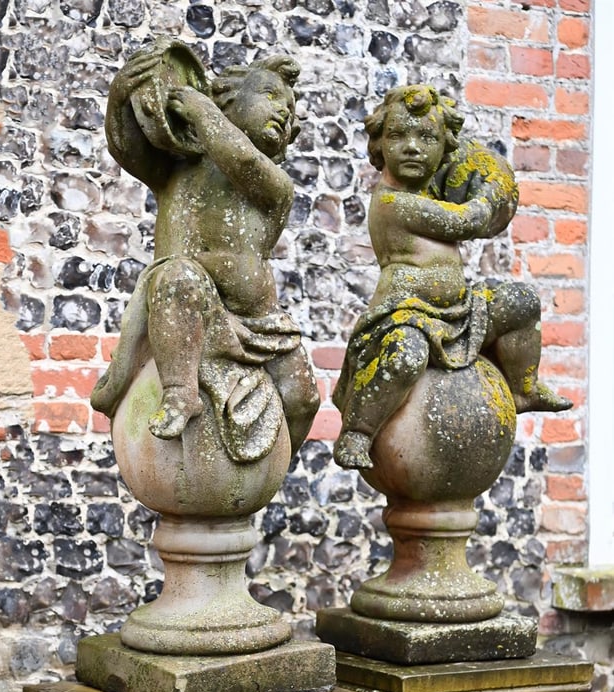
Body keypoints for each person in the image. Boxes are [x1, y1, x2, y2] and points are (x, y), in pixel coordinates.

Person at [91, 39, 319, 461]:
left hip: (261, 322)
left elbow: (244, 162)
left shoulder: (274, 187)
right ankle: (181, 393)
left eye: (290, 110)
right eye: (270, 95)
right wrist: (122, 95)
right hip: (187, 299)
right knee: (177, 276)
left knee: (304, 396)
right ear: (228, 99)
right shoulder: (174, 171)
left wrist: (199, 109)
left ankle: (279, 463)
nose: (284, 111)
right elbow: (126, 148)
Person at [333, 84, 571, 470]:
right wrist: (491, 195)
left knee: (522, 303)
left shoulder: (429, 191)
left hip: (458, 310)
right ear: (379, 145)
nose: (412, 147)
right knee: (405, 357)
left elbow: (463, 181)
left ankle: (523, 388)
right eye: (398, 136)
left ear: (444, 147)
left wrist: (481, 168)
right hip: (406, 312)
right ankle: (358, 430)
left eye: (426, 137)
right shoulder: (393, 202)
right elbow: (465, 221)